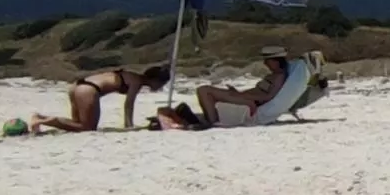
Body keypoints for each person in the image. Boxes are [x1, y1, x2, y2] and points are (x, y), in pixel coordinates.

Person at [29, 64, 170, 132]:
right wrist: (129, 126)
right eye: (161, 84)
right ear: (155, 80)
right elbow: (129, 104)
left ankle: (40, 117)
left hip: (78, 86)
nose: (160, 87)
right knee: (87, 128)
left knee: (76, 124)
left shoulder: (132, 75)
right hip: (89, 90)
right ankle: (46, 121)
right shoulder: (137, 81)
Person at [194, 48, 292, 125]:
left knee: (204, 91)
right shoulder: (272, 75)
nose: (265, 63)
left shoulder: (279, 77)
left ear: (276, 61)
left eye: (267, 60)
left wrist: (244, 97)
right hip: (245, 97)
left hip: (251, 102)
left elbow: (268, 97)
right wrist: (239, 93)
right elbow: (258, 91)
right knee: (205, 91)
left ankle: (212, 122)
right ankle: (211, 119)